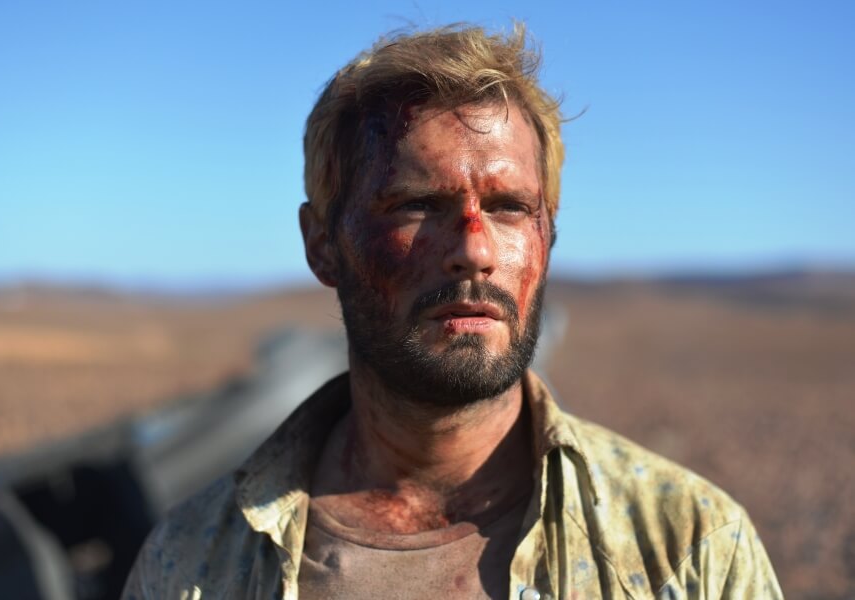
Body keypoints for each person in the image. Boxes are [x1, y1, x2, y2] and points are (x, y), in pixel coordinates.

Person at [122, 24, 782, 599]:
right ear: (322, 245)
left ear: (548, 237)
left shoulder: (688, 549)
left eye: (509, 208)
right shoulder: (193, 563)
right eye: (417, 205)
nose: (474, 250)